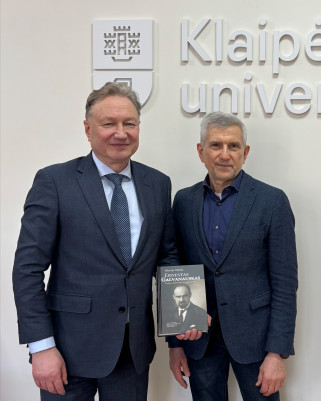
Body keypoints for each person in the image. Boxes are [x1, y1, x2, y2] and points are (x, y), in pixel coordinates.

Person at [12, 82, 201, 401]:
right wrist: (41, 346)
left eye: (130, 123)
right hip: (67, 351)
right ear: (88, 130)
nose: (121, 133)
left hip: (132, 351)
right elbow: (27, 270)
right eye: (108, 123)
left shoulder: (157, 183)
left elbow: (167, 258)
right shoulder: (54, 181)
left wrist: (183, 324)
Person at [167, 112, 298, 401]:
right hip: (199, 339)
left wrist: (277, 353)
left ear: (245, 152)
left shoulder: (272, 201)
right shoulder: (184, 201)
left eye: (233, 146)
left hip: (256, 339)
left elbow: (285, 283)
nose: (225, 154)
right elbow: (175, 267)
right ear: (201, 151)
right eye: (216, 145)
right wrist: (176, 343)